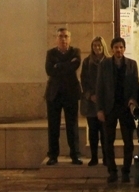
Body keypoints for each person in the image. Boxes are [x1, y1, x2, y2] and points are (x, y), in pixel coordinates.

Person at [95, 37, 139, 183]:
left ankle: (126, 171)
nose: (118, 50)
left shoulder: (132, 64)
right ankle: (112, 171)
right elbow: (100, 87)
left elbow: (135, 85)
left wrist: (133, 100)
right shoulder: (104, 64)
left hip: (125, 108)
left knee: (128, 142)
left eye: (121, 47)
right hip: (110, 107)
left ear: (124, 49)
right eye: (116, 47)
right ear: (112, 49)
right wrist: (99, 109)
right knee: (108, 141)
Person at [44, 27, 82, 165]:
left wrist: (58, 66)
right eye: (60, 36)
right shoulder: (50, 53)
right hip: (54, 94)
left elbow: (74, 66)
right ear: (56, 39)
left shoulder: (75, 52)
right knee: (53, 126)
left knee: (72, 125)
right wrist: (66, 65)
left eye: (66, 36)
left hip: (71, 93)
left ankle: (75, 155)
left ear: (70, 39)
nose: (63, 39)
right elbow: (49, 70)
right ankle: (53, 155)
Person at [79, 36, 106, 167]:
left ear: (103, 46)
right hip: (91, 102)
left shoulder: (108, 61)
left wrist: (103, 96)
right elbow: (84, 80)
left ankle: (106, 157)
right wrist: (90, 95)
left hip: (105, 102)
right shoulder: (87, 62)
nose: (97, 48)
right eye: (94, 45)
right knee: (93, 131)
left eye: (99, 45)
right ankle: (94, 157)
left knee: (105, 132)